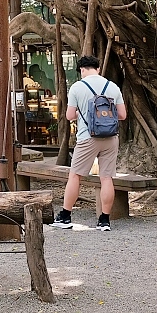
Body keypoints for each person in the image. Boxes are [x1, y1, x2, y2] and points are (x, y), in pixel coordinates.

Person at [53, 55, 126, 232]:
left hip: (87, 138)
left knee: (75, 175)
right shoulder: (112, 86)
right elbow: (122, 115)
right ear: (98, 69)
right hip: (110, 137)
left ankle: (65, 216)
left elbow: (69, 116)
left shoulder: (77, 87)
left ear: (82, 70)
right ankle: (104, 220)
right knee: (107, 177)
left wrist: (81, 114)